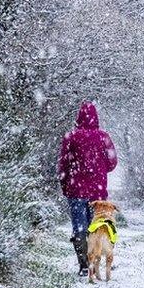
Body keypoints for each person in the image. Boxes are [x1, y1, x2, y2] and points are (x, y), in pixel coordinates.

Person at [57, 101, 118, 276]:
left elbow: (63, 164)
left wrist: (66, 185)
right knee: (98, 226)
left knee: (79, 228)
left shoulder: (71, 137)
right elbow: (113, 161)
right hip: (97, 193)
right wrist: (100, 169)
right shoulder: (103, 137)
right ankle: (96, 262)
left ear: (79, 117)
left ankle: (84, 265)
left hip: (76, 190)